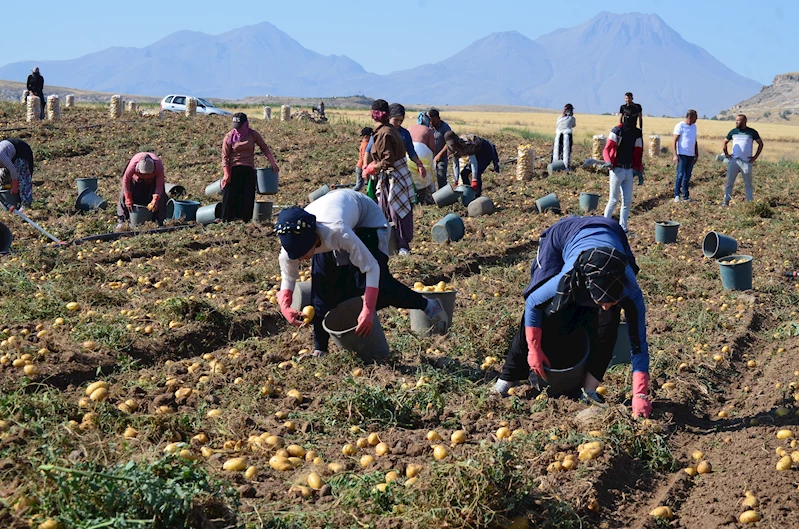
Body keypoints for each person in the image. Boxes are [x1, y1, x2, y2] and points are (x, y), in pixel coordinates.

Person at [493, 216, 651, 418]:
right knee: (549, 309)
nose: (604, 307)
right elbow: (533, 304)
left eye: (611, 301)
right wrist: (534, 349)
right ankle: (507, 378)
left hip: (612, 233)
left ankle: (590, 390)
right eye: (600, 301)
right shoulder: (568, 277)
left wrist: (640, 393)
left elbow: (638, 344)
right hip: (563, 237)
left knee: (608, 322)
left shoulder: (632, 293)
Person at [275, 189, 449, 359]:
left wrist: (367, 309)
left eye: (302, 252)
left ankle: (428, 305)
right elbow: (289, 277)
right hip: (336, 220)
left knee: (379, 286)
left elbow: (371, 268)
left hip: (366, 223)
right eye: (295, 254)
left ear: (313, 238)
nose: (300, 258)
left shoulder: (337, 231)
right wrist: (285, 306)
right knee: (322, 290)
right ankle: (320, 349)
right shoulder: (291, 245)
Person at [362, 100, 415, 256]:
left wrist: (373, 167)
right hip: (390, 176)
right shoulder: (385, 130)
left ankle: (403, 246)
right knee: (383, 209)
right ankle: (388, 245)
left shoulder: (385, 133)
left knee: (396, 211)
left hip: (395, 176)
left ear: (374, 115)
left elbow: (388, 160)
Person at [221, 112, 278, 222]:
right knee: (230, 195)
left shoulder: (253, 134)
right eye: (235, 127)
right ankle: (228, 219)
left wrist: (272, 163)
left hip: (248, 168)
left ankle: (245, 219)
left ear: (245, 124)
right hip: (234, 168)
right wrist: (226, 173)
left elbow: (264, 147)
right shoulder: (229, 137)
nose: (237, 130)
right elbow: (225, 156)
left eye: (239, 127)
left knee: (247, 195)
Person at [602, 108, 643, 235]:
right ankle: (604, 227)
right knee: (613, 200)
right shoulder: (617, 131)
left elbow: (638, 153)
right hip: (616, 169)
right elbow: (606, 149)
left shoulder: (636, 133)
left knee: (627, 201)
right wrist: (608, 161)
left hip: (628, 170)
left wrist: (638, 170)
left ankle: (623, 229)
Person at [116, 153, 167, 230]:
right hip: (136, 180)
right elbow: (126, 181)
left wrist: (155, 200)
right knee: (124, 192)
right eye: (143, 174)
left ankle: (160, 221)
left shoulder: (159, 167)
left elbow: (159, 186)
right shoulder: (133, 165)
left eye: (148, 174)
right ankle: (122, 220)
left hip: (152, 182)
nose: (145, 176)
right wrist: (128, 197)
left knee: (161, 196)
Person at [722, 114, 764, 206]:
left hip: (746, 161)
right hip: (734, 161)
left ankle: (749, 203)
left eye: (738, 120)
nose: (736, 122)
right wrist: (726, 154)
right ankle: (726, 201)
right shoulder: (733, 131)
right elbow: (725, 142)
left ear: (744, 121)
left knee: (748, 184)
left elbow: (760, 144)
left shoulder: (752, 132)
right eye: (736, 120)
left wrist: (755, 157)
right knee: (729, 182)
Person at [443, 131, 499, 197]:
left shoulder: (467, 143)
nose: (453, 146)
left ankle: (477, 196)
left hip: (485, 150)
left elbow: (473, 162)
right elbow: (456, 164)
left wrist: (474, 179)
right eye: (451, 144)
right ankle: (469, 194)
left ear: (456, 140)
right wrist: (456, 180)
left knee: (477, 173)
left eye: (454, 144)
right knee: (464, 173)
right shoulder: (451, 148)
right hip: (475, 153)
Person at [408, 112, 437, 205]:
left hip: (409, 153)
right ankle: (427, 197)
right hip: (423, 151)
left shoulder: (409, 128)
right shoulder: (428, 130)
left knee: (411, 174)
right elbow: (432, 148)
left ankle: (411, 197)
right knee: (427, 174)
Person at [672, 110, 699, 203]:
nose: (697, 119)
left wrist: (696, 153)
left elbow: (695, 141)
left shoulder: (694, 127)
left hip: (691, 155)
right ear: (690, 117)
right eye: (695, 117)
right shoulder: (680, 126)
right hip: (682, 154)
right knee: (680, 175)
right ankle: (676, 195)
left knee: (687, 176)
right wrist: (675, 155)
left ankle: (686, 196)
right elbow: (674, 141)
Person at [0, 138, 35, 208]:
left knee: (22, 179)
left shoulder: (1, 156)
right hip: (9, 154)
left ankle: (25, 204)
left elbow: (12, 170)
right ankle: (10, 204)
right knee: (3, 178)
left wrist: (15, 186)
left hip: (21, 151)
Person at [428, 109, 453, 191]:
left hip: (441, 157)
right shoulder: (427, 126)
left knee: (441, 176)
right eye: (430, 121)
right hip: (429, 157)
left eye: (434, 121)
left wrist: (439, 155)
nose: (431, 123)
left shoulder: (445, 127)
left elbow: (448, 143)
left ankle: (442, 196)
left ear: (439, 118)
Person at [354, 127, 372, 192]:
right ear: (366, 136)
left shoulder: (363, 142)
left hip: (360, 166)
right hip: (361, 166)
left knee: (361, 184)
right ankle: (351, 194)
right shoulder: (366, 145)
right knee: (359, 185)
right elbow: (365, 156)